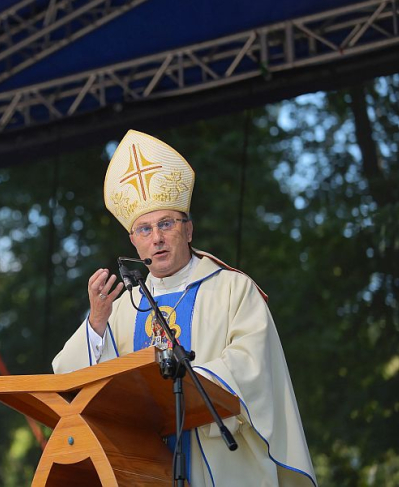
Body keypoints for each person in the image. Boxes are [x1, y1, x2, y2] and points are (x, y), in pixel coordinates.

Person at [52, 130, 316, 486]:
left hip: (219, 458)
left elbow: (254, 363)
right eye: (144, 229)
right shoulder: (125, 306)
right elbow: (68, 377)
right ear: (133, 241)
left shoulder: (231, 288)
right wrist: (97, 323)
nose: (156, 237)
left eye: (166, 224)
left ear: (188, 230)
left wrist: (184, 388)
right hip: (146, 464)